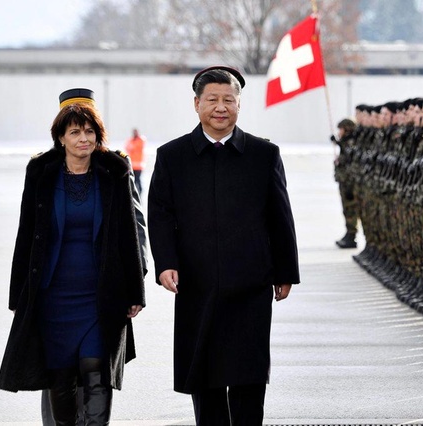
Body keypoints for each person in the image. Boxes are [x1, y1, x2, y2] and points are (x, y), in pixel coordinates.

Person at [148, 66, 300, 425]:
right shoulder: (173, 156)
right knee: (204, 369)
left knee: (248, 370)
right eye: (212, 100)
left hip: (251, 281)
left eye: (228, 100)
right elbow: (159, 215)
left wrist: (285, 270)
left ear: (239, 105)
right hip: (195, 282)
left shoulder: (264, 154)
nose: (220, 107)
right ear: (197, 104)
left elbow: (280, 216)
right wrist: (165, 263)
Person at [0, 88, 146, 425]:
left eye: (90, 131)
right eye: (75, 131)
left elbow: (129, 233)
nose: (84, 138)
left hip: (99, 294)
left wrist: (135, 291)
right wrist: (19, 294)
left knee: (97, 370)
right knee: (61, 380)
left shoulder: (115, 170)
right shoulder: (41, 172)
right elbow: (27, 235)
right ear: (60, 137)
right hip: (54, 297)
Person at [332, 117, 359, 248]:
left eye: (341, 129)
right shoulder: (346, 143)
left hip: (349, 183)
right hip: (344, 182)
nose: (339, 132)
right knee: (347, 209)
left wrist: (349, 185)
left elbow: (349, 163)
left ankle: (351, 234)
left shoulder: (351, 143)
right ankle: (349, 233)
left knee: (350, 210)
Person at [124, 128, 146, 194]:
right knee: (132, 180)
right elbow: (127, 147)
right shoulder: (131, 140)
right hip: (132, 165)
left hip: (139, 165)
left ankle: (140, 192)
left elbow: (136, 147)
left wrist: (132, 146)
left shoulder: (141, 140)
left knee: (138, 180)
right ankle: (134, 192)